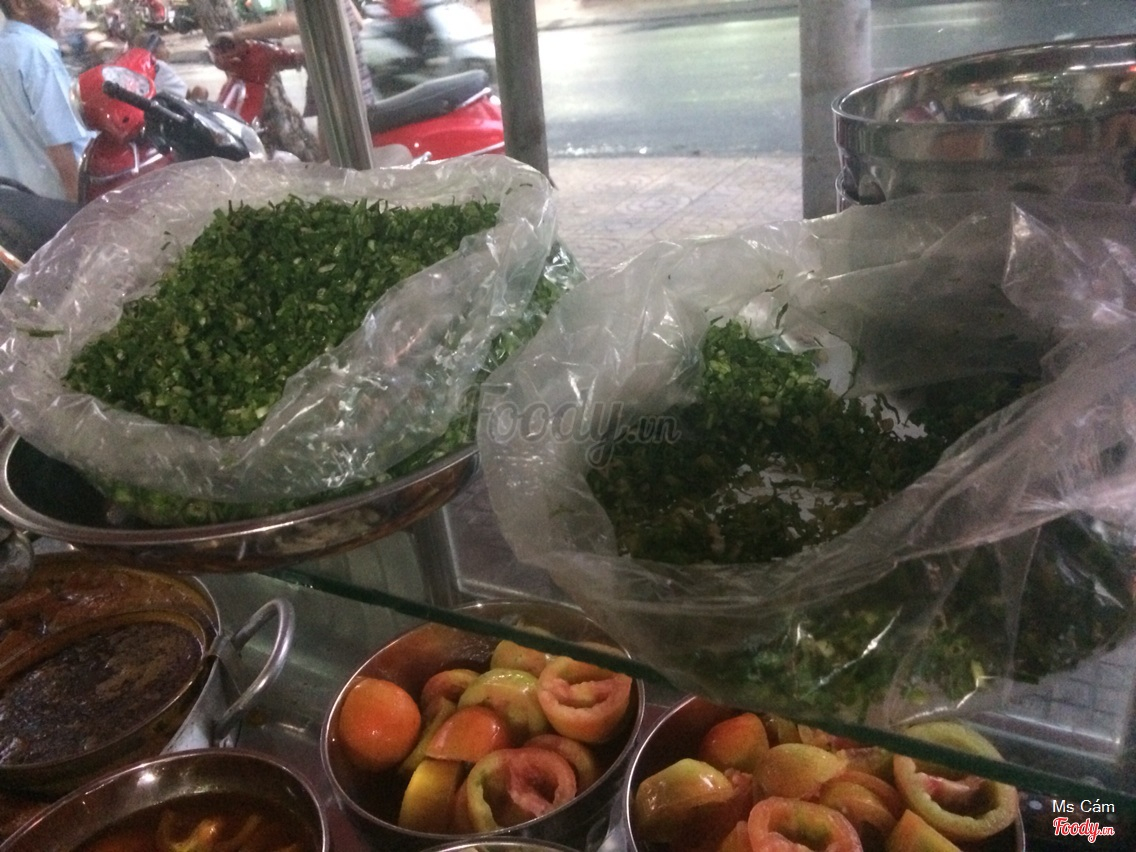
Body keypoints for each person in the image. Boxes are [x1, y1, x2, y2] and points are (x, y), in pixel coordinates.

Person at [0, 0, 92, 201]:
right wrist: (79, 205)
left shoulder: (6, 47)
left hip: (16, 199)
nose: (60, 3)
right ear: (20, 5)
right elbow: (59, 142)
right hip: (54, 197)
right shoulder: (36, 52)